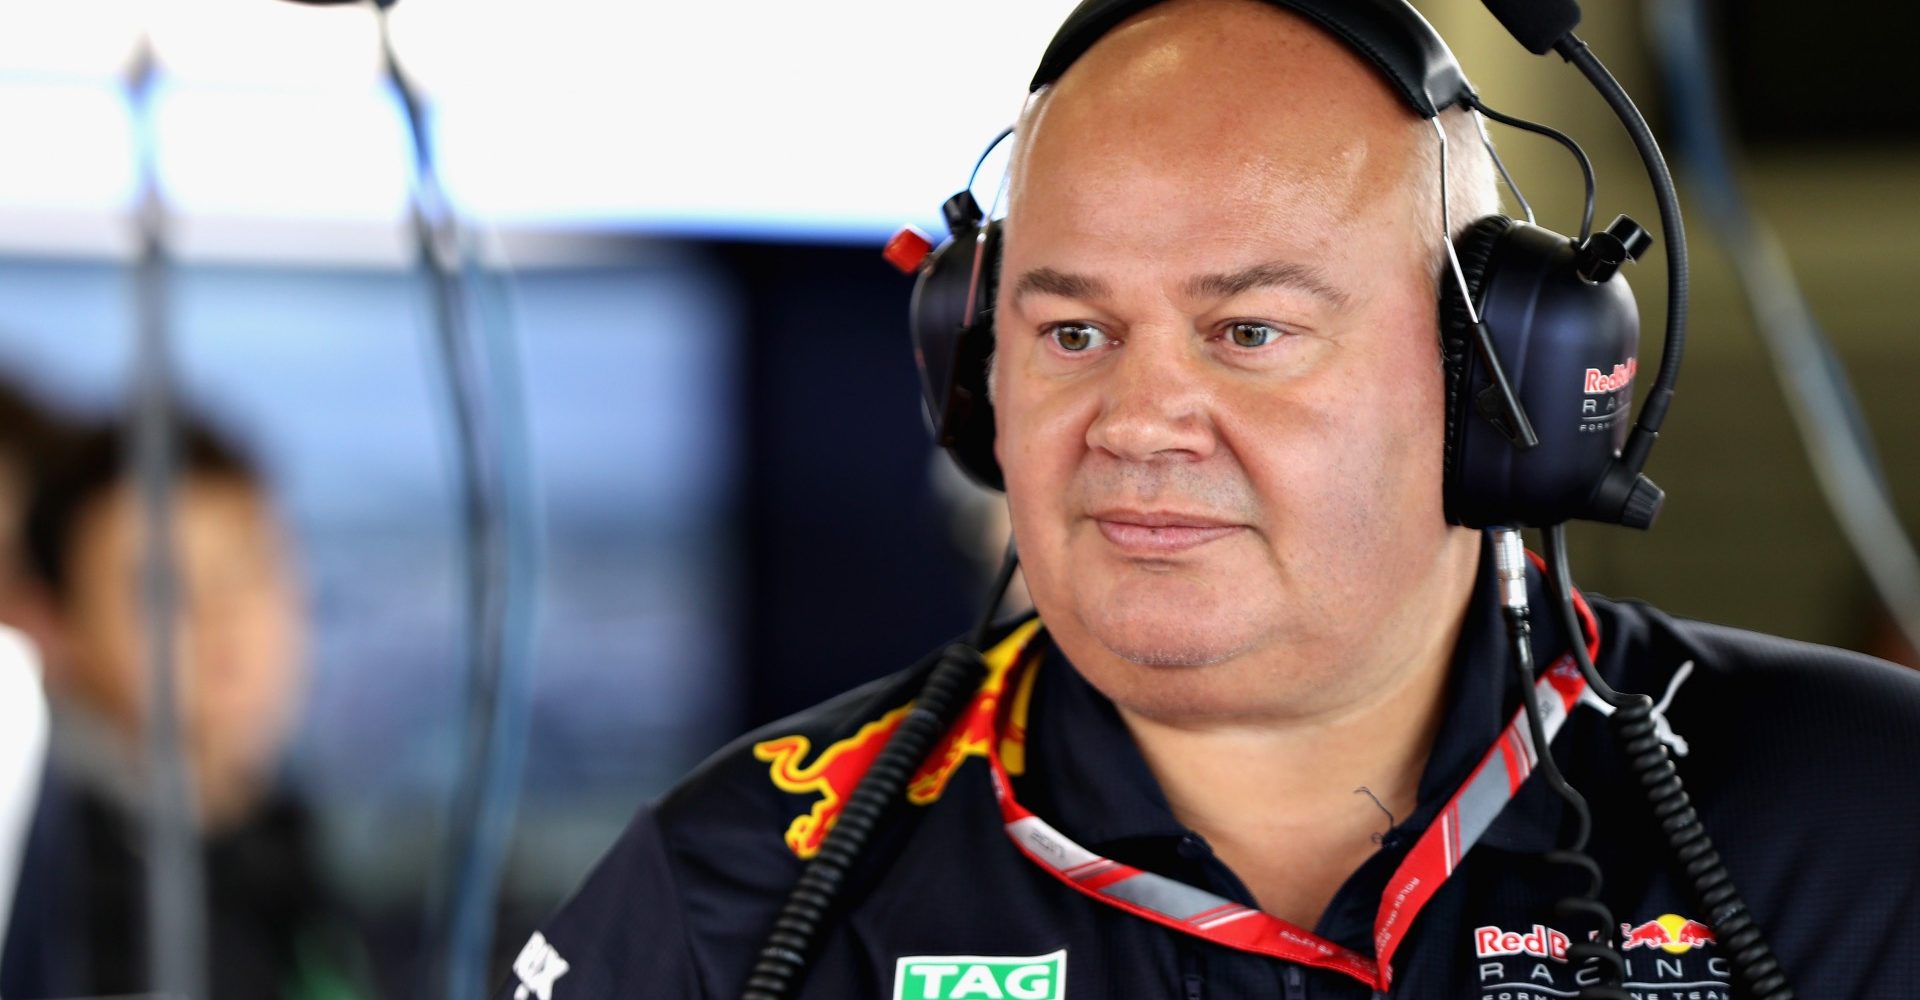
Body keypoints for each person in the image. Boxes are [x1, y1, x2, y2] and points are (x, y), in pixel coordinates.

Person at [502, 1, 1920, 997]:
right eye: (1070, 333)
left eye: (1249, 332)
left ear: (1503, 388)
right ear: (973, 371)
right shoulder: (730, 893)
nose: (1137, 421)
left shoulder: (1863, 827)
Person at [0, 414, 370, 999]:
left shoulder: (273, 840)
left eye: (247, 570)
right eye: (161, 590)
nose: (223, 622)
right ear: (55, 626)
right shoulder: (65, 901)